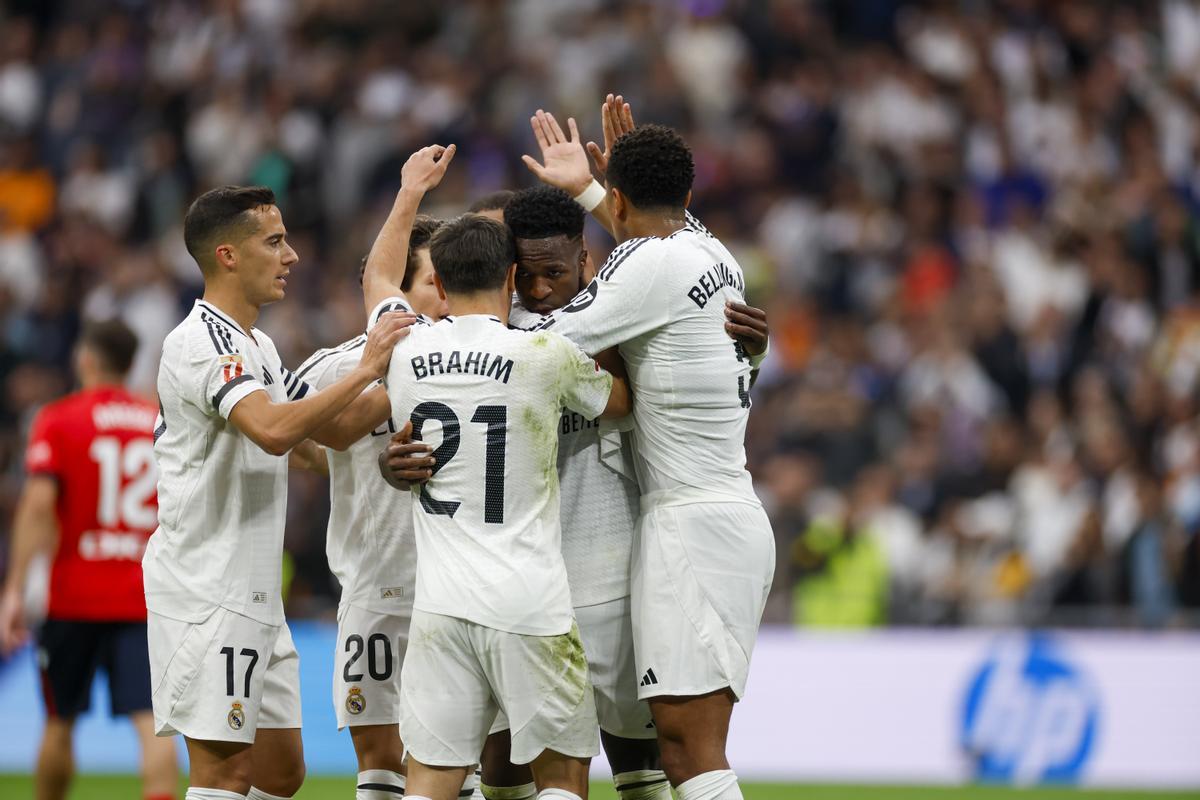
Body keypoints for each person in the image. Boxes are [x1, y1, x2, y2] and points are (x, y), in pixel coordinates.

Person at [519, 102, 775, 800]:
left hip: (692, 527)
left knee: (693, 756)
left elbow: (543, 343)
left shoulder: (646, 266)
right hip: (721, 515)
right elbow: (651, 238)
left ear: (625, 198)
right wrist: (592, 191)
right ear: (689, 197)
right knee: (678, 749)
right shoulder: (713, 252)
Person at [144, 184, 413, 800]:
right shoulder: (201, 342)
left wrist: (378, 463)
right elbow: (270, 430)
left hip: (257, 591)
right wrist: (370, 368)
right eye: (274, 241)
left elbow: (307, 446)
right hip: (206, 588)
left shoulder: (258, 345)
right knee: (223, 774)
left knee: (282, 772)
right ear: (228, 256)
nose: (291, 255)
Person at [382, 213, 632, 800]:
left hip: (440, 607)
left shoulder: (402, 348)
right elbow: (618, 403)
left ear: (438, 286)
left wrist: (409, 192)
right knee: (562, 780)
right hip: (530, 603)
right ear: (513, 277)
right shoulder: (546, 352)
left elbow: (377, 284)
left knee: (430, 783)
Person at [296, 145, 485, 800]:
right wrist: (346, 462)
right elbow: (297, 436)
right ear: (398, 291)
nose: (448, 292)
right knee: (380, 763)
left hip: (459, 585)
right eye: (435, 280)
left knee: (460, 767)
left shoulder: (478, 354)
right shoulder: (335, 366)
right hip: (380, 584)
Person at [0, 319, 178, 800]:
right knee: (155, 727)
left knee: (59, 723)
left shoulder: (57, 419)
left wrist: (14, 589)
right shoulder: (156, 421)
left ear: (87, 359)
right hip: (143, 600)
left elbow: (38, 507)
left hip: (72, 599)